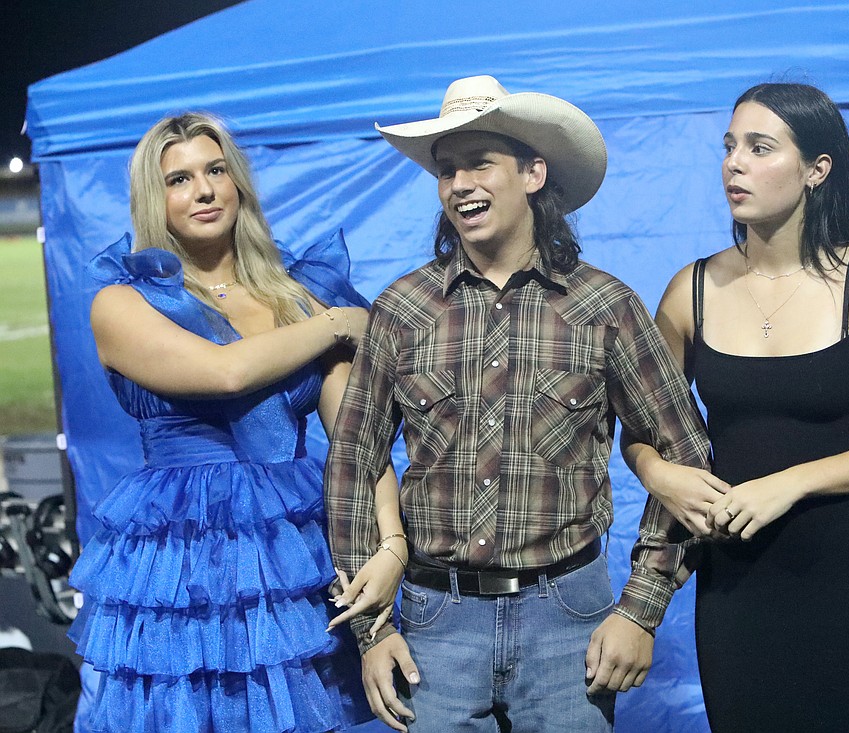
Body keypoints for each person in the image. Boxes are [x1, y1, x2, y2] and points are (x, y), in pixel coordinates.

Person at [323, 75, 719, 732]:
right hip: (434, 620)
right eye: (446, 170)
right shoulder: (403, 310)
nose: (459, 184)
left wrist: (641, 609)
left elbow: (685, 450)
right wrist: (372, 631)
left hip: (569, 617)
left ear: (534, 173)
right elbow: (351, 465)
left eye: (479, 163)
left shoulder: (603, 307)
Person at [623, 83, 849, 731]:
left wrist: (790, 483)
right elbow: (640, 427)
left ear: (816, 169)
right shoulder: (691, 289)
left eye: (759, 147)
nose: (734, 163)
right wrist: (657, 472)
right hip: (737, 578)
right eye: (729, 146)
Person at [66, 112, 405, 732]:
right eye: (179, 179)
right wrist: (336, 323)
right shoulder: (123, 303)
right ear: (154, 199)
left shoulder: (297, 293)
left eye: (216, 170)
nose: (203, 190)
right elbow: (227, 373)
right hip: (184, 559)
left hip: (290, 553)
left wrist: (392, 544)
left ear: (237, 183)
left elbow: (359, 444)